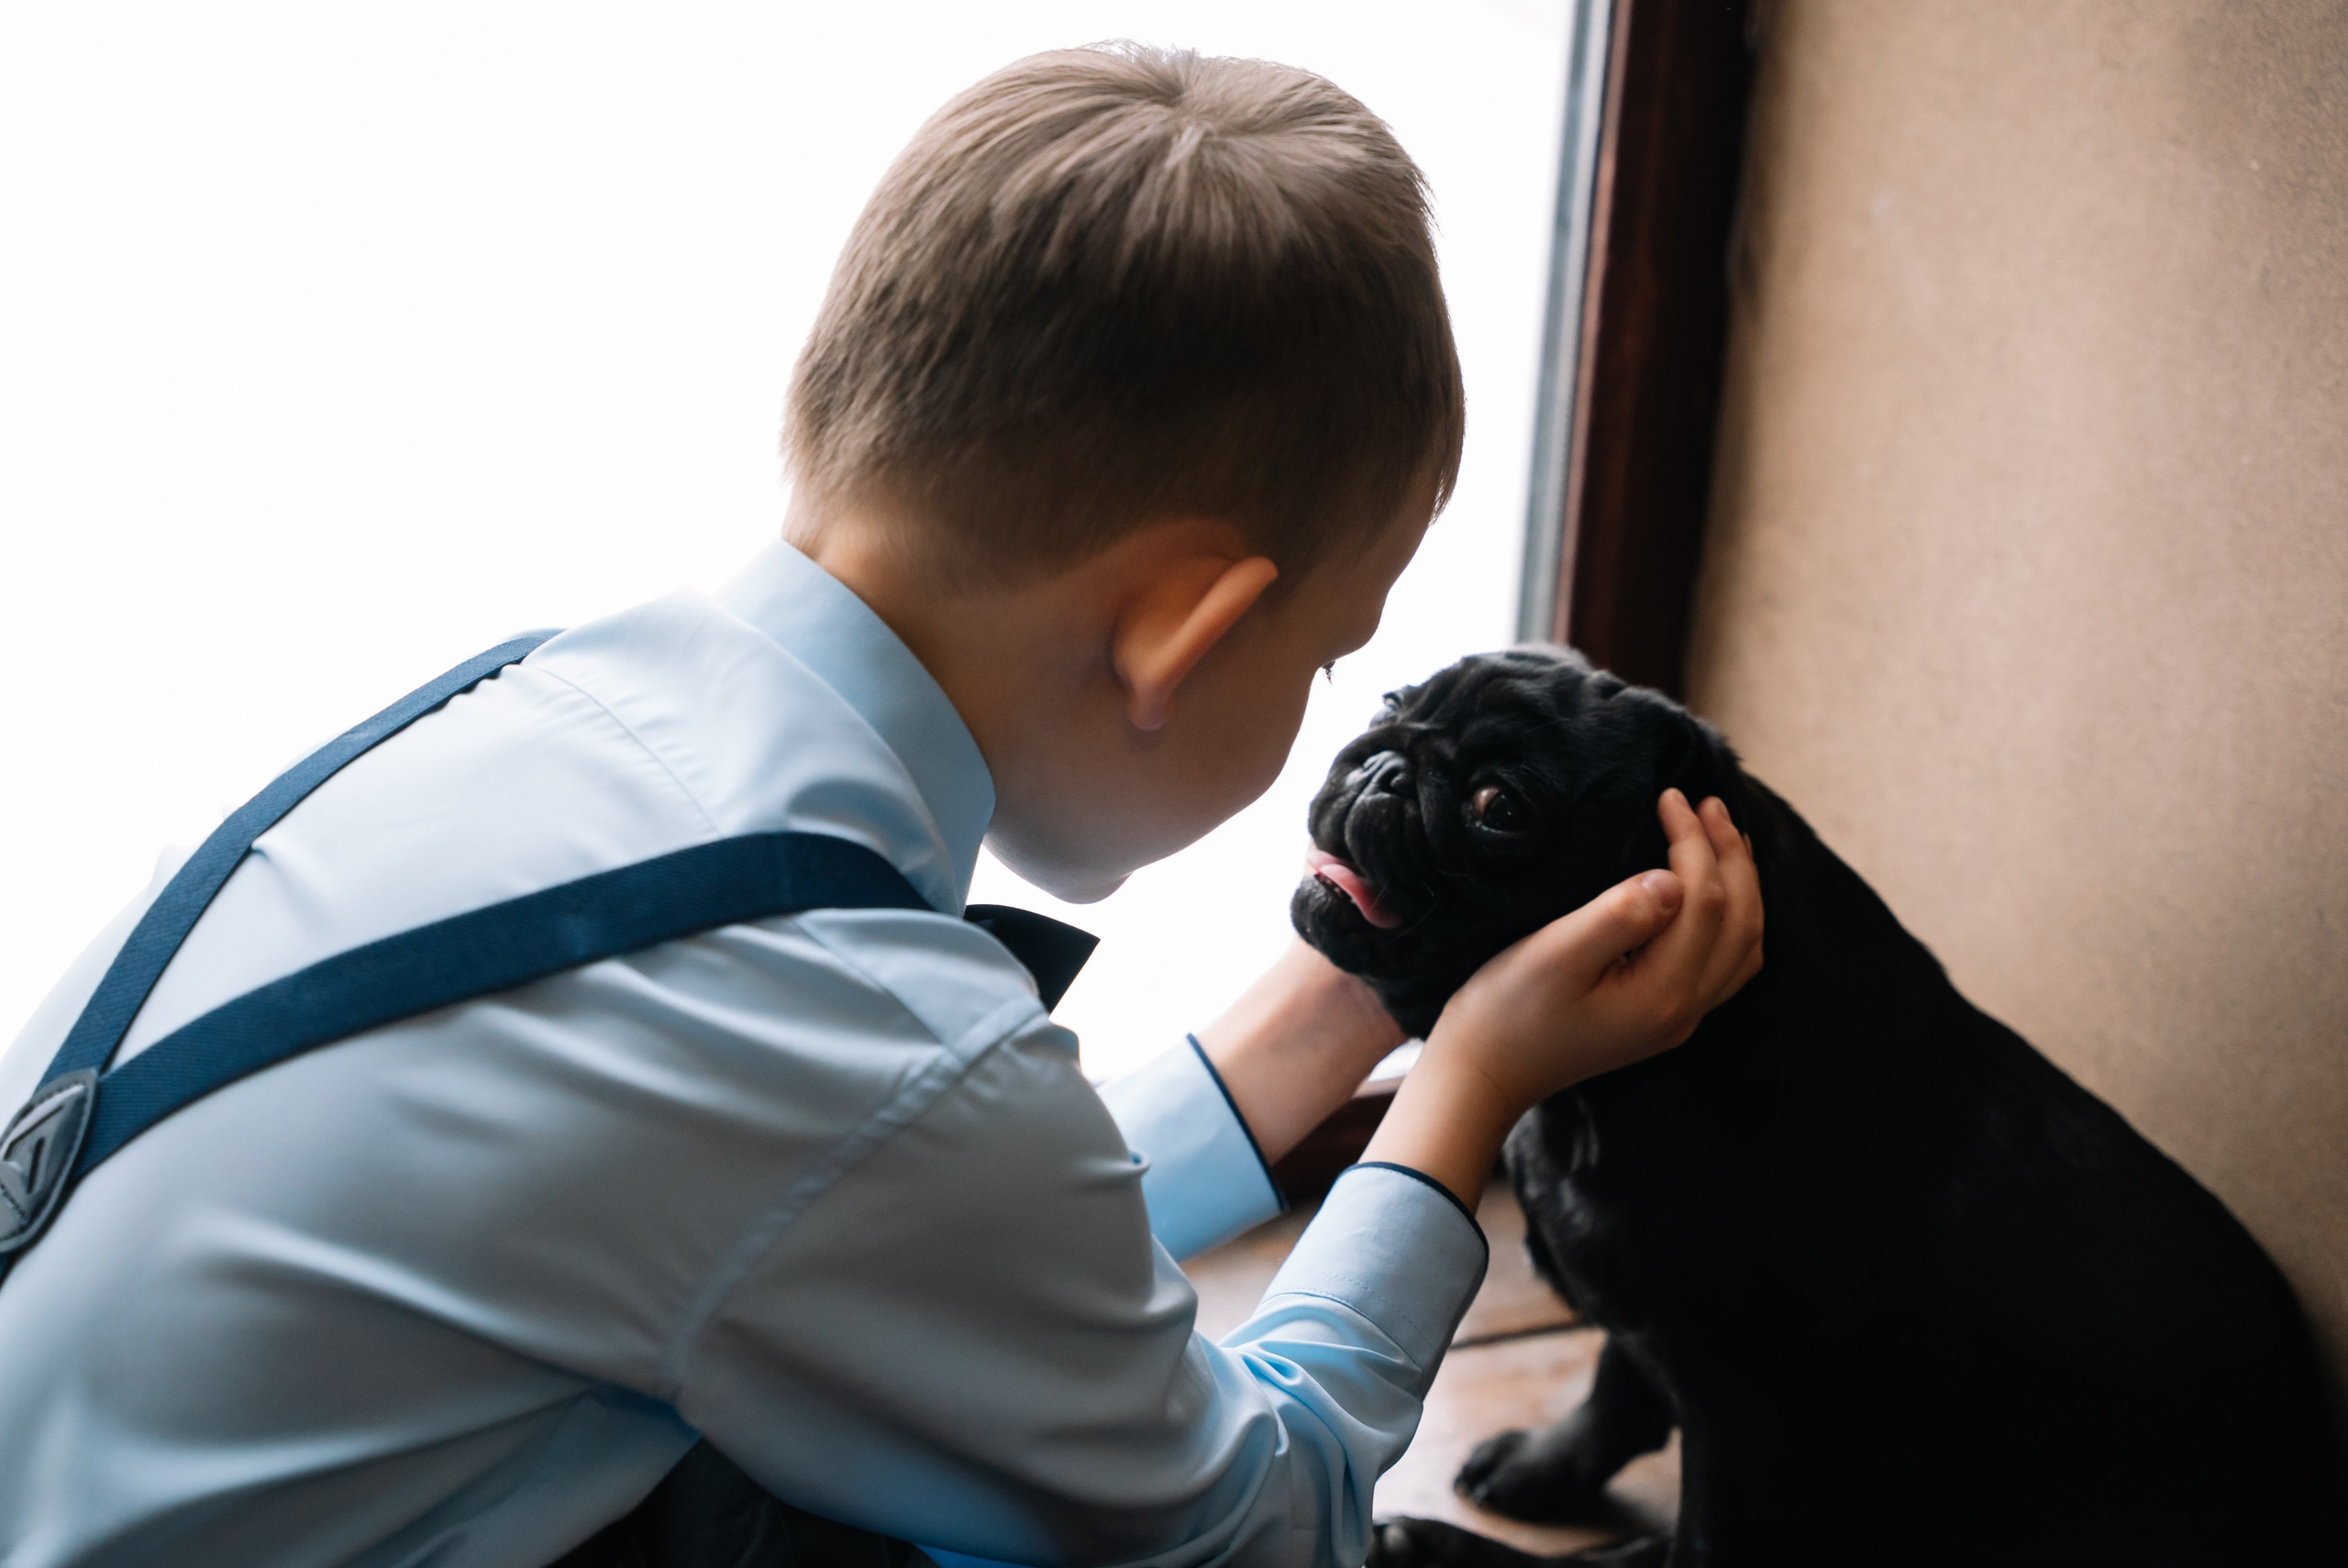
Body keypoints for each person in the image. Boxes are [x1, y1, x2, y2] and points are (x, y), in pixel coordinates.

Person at [0, 43, 1763, 1568]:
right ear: (1184, 625)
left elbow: (893, 1233)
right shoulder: (842, 1013)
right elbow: (1245, 1518)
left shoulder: (558, 719)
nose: (1318, 703)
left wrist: (1344, 1012)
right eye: (1325, 654)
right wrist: (1460, 1099)